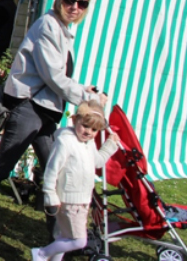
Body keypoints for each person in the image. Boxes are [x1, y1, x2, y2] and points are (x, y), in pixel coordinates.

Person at [0, 0, 109, 248]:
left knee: (56, 172)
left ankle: (61, 239)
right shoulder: (48, 25)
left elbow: (54, 77)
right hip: (31, 108)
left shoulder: (63, 30)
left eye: (82, 3)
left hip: (45, 112)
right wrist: (89, 98)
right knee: (0, 169)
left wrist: (83, 89)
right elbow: (53, 77)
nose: (75, 6)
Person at [31, 101, 118, 261]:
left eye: (94, 130)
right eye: (85, 126)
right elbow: (52, 169)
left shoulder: (89, 143)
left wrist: (110, 145)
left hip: (82, 200)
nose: (88, 132)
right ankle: (41, 254)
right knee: (79, 241)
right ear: (74, 120)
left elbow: (98, 161)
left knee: (64, 237)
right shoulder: (65, 142)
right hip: (69, 201)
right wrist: (50, 193)